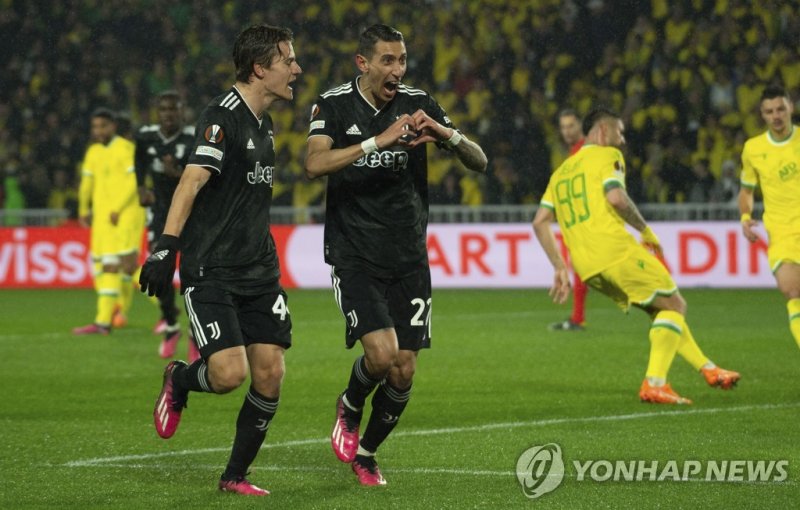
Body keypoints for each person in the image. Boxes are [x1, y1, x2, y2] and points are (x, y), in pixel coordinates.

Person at [305, 24, 487, 486]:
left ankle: (366, 454)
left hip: (408, 253)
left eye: (402, 60)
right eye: (388, 60)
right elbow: (314, 164)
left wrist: (446, 134)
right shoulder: (333, 104)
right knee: (382, 355)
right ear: (362, 63)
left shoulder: (417, 101)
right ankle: (349, 402)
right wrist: (376, 141)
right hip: (355, 252)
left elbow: (479, 161)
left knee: (404, 369)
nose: (397, 70)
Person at [139, 24, 302, 496]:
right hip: (212, 268)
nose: (296, 68)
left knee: (270, 373)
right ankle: (180, 379)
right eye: (288, 60)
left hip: (260, 269)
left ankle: (235, 476)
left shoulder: (264, 122)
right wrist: (166, 246)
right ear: (259, 68)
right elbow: (190, 180)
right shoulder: (222, 117)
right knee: (230, 375)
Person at [532, 107, 740, 404]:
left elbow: (539, 222)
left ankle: (708, 368)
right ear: (603, 131)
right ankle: (655, 383)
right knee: (675, 304)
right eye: (619, 131)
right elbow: (616, 198)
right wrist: (645, 230)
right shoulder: (608, 156)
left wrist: (559, 267)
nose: (623, 139)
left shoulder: (560, 172)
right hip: (614, 250)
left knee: (661, 309)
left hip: (587, 267)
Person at [134, 90, 199, 362]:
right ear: (156, 112)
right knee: (158, 270)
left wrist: (178, 174)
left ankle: (197, 332)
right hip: (160, 214)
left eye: (173, 110)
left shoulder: (193, 136)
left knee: (195, 274)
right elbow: (139, 162)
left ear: (182, 112)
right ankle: (171, 325)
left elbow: (202, 174)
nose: (168, 115)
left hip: (191, 215)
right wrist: (140, 187)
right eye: (163, 110)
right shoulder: (146, 136)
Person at [739, 85, 800, 350]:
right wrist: (745, 216)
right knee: (792, 291)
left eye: (780, 109)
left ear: (791, 109)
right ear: (762, 115)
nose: (776, 116)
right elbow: (746, 190)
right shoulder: (753, 148)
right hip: (783, 232)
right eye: (769, 111)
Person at [73, 108, 144, 335]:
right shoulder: (93, 152)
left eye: (103, 126)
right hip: (103, 220)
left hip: (122, 216)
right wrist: (84, 209)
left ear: (113, 126)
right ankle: (103, 322)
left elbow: (135, 182)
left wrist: (118, 208)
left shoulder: (125, 149)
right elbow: (86, 184)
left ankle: (167, 307)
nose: (99, 131)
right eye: (95, 127)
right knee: (108, 268)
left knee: (127, 266)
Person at [548, 108, 589, 332]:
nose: (567, 131)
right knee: (580, 270)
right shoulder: (574, 151)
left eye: (571, 126)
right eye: (563, 127)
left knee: (587, 269)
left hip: (586, 221)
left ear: (580, 125)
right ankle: (577, 318)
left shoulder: (586, 150)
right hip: (576, 220)